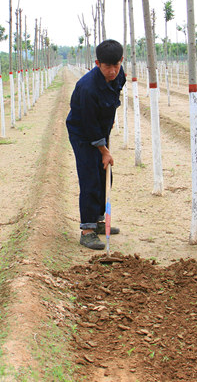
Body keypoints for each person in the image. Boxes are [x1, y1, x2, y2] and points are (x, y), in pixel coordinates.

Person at [66, 39, 127, 250]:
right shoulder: (87, 88)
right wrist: (103, 149)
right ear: (97, 63)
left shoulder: (120, 76)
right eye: (107, 66)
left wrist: (104, 145)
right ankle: (87, 230)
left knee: (105, 174)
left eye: (116, 66)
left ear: (121, 61)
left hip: (101, 128)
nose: (112, 71)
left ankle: (99, 220)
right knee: (90, 175)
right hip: (82, 132)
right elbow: (89, 124)